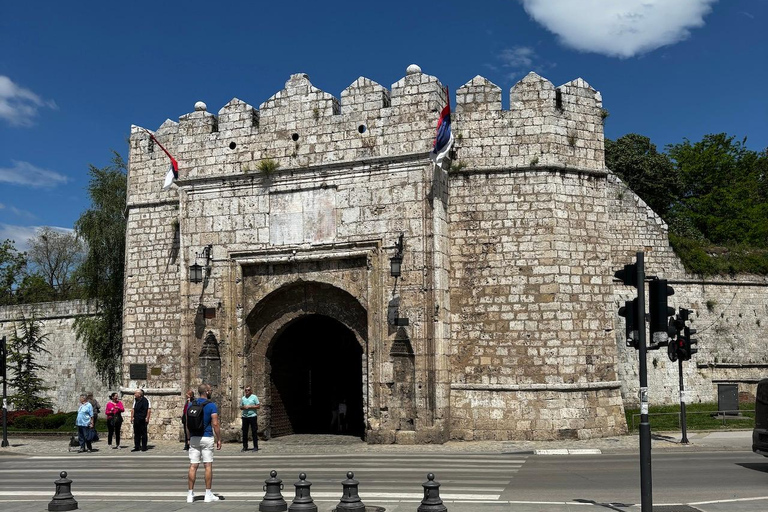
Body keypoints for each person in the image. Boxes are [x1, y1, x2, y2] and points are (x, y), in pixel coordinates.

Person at [186, 384, 221, 503]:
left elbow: (187, 423)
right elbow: (215, 423)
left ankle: (190, 495)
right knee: (207, 466)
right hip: (206, 437)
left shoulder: (191, 404)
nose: (211, 392)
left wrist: (189, 437)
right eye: (210, 390)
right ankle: (208, 494)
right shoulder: (211, 405)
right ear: (206, 392)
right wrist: (219, 438)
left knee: (193, 465)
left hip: (194, 437)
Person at [239, 386, 260, 452]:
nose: (247, 391)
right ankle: (245, 447)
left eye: (248, 390)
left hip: (253, 416)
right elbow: (241, 407)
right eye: (246, 390)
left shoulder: (254, 397)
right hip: (245, 417)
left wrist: (251, 406)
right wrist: (244, 407)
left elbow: (258, 406)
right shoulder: (243, 398)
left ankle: (255, 446)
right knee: (244, 432)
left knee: (254, 431)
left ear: (251, 391)